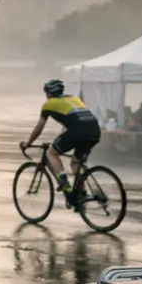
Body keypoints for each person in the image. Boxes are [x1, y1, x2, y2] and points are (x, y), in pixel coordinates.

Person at [21, 79, 100, 207]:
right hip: (94, 130)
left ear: (48, 94)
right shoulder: (74, 99)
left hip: (78, 130)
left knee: (51, 153)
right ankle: (81, 194)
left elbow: (39, 128)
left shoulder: (48, 104)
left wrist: (28, 143)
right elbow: (73, 120)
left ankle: (64, 181)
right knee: (76, 163)